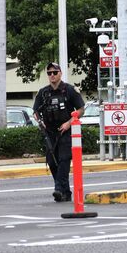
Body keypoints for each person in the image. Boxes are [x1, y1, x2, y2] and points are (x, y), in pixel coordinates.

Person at [33, 62, 85, 202]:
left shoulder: (69, 90)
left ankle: (58, 188)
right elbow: (36, 111)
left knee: (63, 160)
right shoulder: (43, 92)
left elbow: (81, 109)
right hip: (49, 131)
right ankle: (65, 192)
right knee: (52, 161)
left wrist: (69, 123)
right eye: (49, 73)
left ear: (60, 73)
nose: (52, 75)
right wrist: (40, 122)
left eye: (55, 72)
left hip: (65, 131)